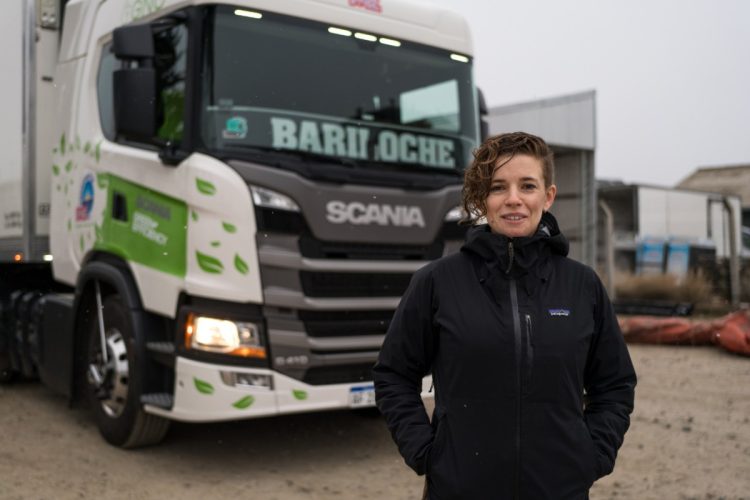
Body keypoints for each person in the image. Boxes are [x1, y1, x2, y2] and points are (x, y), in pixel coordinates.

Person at [373, 132, 636, 499]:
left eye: (527, 186)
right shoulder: (437, 282)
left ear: (548, 196)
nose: (514, 199)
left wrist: (591, 457)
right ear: (484, 198)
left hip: (559, 490)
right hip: (460, 490)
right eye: (499, 187)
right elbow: (393, 375)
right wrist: (428, 453)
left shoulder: (582, 286)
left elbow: (614, 384)